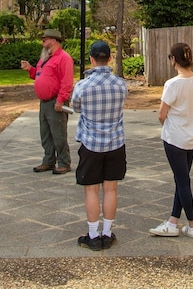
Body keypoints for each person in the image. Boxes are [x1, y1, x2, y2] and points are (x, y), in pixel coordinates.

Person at [69, 40, 127, 251]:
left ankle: (93, 235)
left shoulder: (83, 86)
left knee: (91, 190)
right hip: (115, 142)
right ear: (110, 58)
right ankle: (107, 232)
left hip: (91, 143)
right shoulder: (121, 84)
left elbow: (75, 107)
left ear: (91, 59)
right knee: (110, 188)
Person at [149, 42, 193, 239]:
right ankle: (173, 221)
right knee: (181, 180)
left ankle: (192, 224)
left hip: (175, 138)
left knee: (182, 182)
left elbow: (162, 113)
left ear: (174, 59)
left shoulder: (172, 84)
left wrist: (165, 122)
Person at [20, 29, 74, 174]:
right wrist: (30, 69)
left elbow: (67, 82)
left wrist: (61, 100)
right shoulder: (45, 57)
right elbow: (40, 76)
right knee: (45, 133)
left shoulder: (64, 58)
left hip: (55, 101)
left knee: (58, 134)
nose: (42, 42)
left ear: (54, 40)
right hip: (44, 102)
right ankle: (48, 161)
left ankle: (64, 162)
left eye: (45, 39)